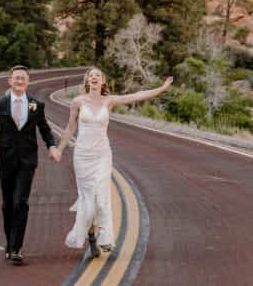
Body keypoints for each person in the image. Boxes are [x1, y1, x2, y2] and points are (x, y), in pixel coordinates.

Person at [55, 67, 173, 257]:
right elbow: (69, 129)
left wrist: (161, 88)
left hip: (102, 156)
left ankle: (105, 239)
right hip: (82, 157)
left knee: (102, 201)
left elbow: (137, 95)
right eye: (91, 76)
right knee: (88, 204)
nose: (94, 78)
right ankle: (91, 235)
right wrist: (59, 149)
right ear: (87, 81)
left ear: (102, 81)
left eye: (98, 76)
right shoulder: (77, 102)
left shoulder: (109, 101)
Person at [0, 65, 61, 265]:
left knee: (20, 202)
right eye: (16, 78)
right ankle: (10, 243)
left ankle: (16, 248)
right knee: (8, 204)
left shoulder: (37, 105)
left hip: (27, 161)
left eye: (23, 78)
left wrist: (51, 146)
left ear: (28, 81)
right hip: (6, 161)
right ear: (10, 81)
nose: (19, 81)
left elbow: (45, 130)